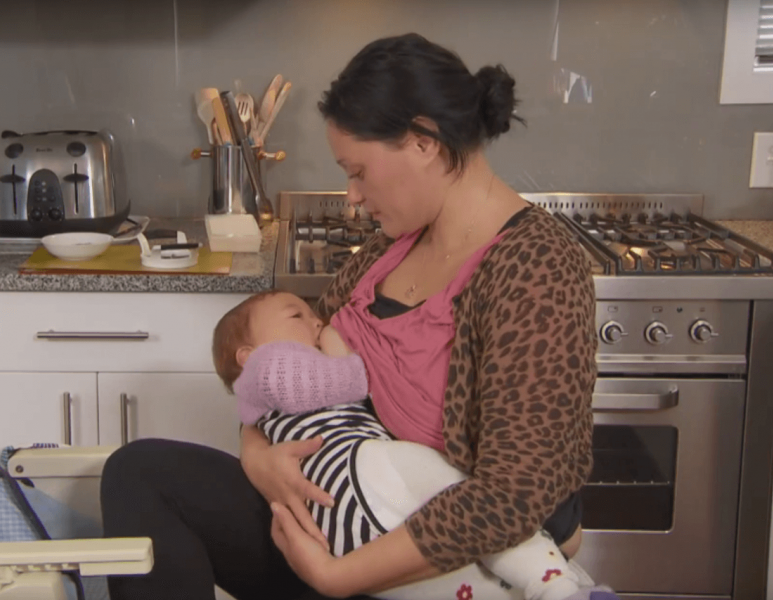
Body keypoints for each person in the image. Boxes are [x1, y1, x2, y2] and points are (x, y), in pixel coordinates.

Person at [101, 32, 602, 600]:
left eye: (358, 171)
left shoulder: (536, 266)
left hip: (430, 565)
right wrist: (258, 456)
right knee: (139, 473)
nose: (352, 197)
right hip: (335, 516)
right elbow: (284, 369)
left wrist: (337, 576)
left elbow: (513, 496)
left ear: (423, 142)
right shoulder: (389, 250)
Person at [211, 289, 612, 600]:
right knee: (469, 498)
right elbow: (348, 382)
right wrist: (335, 339)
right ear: (248, 355)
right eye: (297, 315)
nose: (316, 321)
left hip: (342, 519)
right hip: (356, 472)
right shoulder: (269, 368)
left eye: (313, 314)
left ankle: (563, 586)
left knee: (463, 574)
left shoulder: (260, 398)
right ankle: (559, 585)